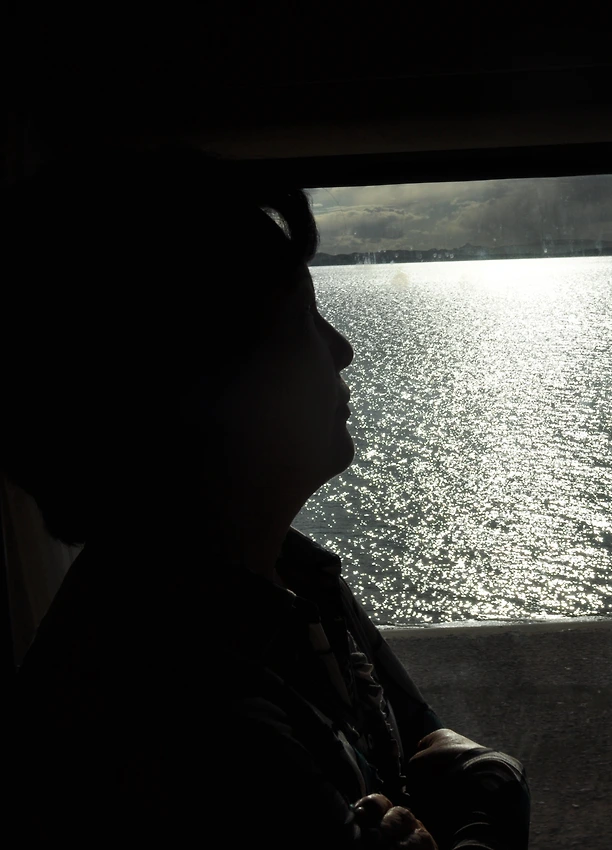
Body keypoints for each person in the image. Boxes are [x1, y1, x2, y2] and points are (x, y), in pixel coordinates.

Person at [1, 149, 530, 848]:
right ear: (205, 389)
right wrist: (494, 801)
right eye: (304, 320)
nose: (341, 349)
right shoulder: (189, 720)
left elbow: (416, 748)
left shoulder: (291, 577)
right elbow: (447, 771)